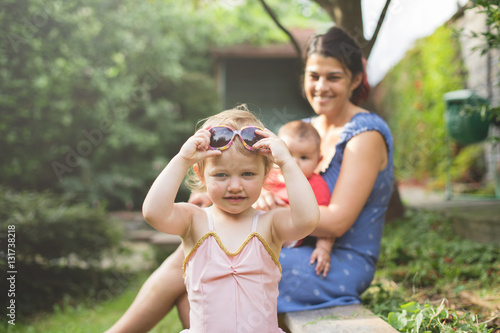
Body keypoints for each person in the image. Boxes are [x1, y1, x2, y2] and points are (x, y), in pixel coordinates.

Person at [106, 26, 393, 332]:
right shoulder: (302, 128)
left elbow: (335, 221)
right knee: (198, 265)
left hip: (333, 259)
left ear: (356, 79)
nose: (321, 86)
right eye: (314, 76)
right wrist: (213, 199)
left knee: (200, 255)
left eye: (333, 77)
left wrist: (262, 203)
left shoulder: (365, 134)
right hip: (294, 245)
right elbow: (257, 179)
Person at [140, 108, 319, 332]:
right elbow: (153, 213)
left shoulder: (270, 224)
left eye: (247, 174)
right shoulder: (194, 221)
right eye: (221, 175)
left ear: (265, 174)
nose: (235, 186)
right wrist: (182, 159)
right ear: (200, 174)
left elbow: (308, 220)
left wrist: (287, 163)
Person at [264, 120, 334, 277]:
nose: (293, 162)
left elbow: (326, 227)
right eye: (287, 154)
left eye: (303, 157)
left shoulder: (315, 185)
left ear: (318, 160)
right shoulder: (268, 176)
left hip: (289, 238)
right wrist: (262, 195)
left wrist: (323, 248)